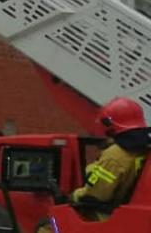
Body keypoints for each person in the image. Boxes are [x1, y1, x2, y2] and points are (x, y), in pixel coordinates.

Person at [57, 96, 149, 225]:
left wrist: (72, 196)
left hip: (109, 217)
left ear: (109, 125)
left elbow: (95, 195)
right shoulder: (144, 149)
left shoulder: (115, 155)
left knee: (50, 226)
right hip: (135, 216)